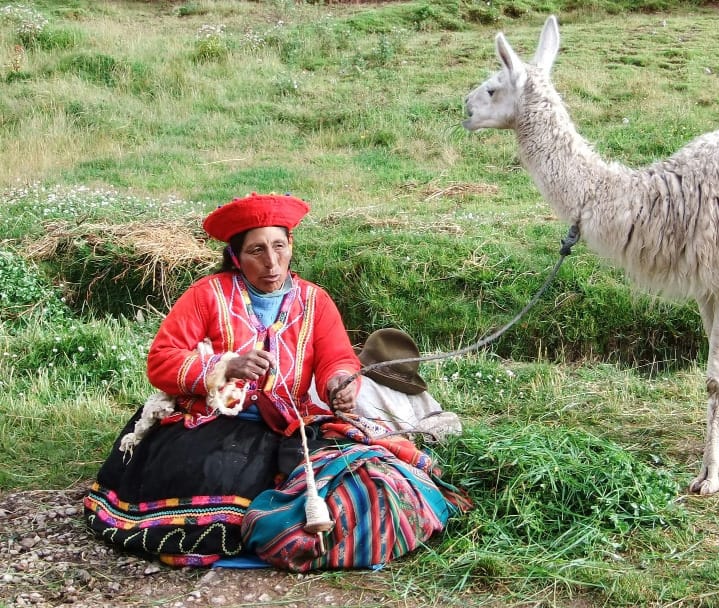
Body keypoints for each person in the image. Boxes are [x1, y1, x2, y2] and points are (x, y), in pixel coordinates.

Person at [84, 193, 468, 568]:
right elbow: (161, 361)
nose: (272, 262)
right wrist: (224, 366)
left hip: (287, 425)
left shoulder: (314, 301)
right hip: (212, 422)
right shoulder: (207, 295)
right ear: (236, 255)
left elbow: (336, 357)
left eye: (279, 247)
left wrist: (339, 382)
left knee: (358, 476)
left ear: (291, 245)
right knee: (214, 476)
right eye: (257, 251)